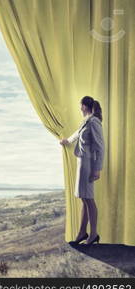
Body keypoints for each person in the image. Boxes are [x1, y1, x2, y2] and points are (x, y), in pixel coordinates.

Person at [59, 96, 105, 245]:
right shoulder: (86, 122)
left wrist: (97, 169)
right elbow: (78, 134)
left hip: (88, 164)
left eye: (80, 106)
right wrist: (67, 141)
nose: (79, 108)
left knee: (89, 199)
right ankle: (81, 233)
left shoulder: (94, 122)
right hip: (82, 163)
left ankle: (93, 234)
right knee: (84, 199)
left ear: (84, 106)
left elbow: (100, 147)